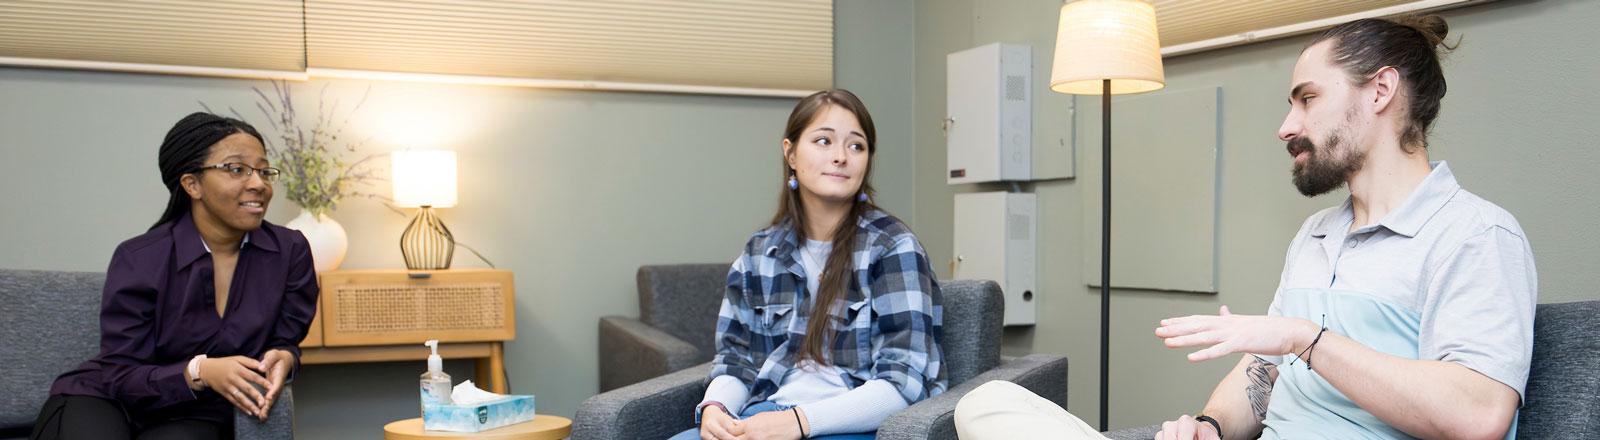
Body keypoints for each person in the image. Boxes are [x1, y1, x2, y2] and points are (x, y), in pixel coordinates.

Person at [955, 15, 1536, 440]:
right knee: (985, 405)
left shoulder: (1475, 235)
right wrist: (1210, 425)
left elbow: (1478, 415)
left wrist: (1305, 338)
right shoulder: (1315, 237)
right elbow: (1264, 373)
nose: (1287, 126)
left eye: (1307, 99)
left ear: (1380, 91)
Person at [669, 89, 946, 440]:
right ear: (791, 153)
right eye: (823, 141)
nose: (841, 157)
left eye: (856, 146)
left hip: (852, 424)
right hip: (765, 416)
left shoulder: (893, 247)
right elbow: (736, 360)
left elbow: (904, 383)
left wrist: (798, 422)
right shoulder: (760, 253)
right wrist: (716, 408)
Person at [31, 112, 320, 440]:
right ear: (192, 184)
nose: (258, 183)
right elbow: (120, 375)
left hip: (196, 411)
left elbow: (284, 341)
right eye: (236, 169)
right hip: (106, 400)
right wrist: (199, 371)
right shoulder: (139, 257)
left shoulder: (289, 252)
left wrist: (285, 358)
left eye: (263, 171)